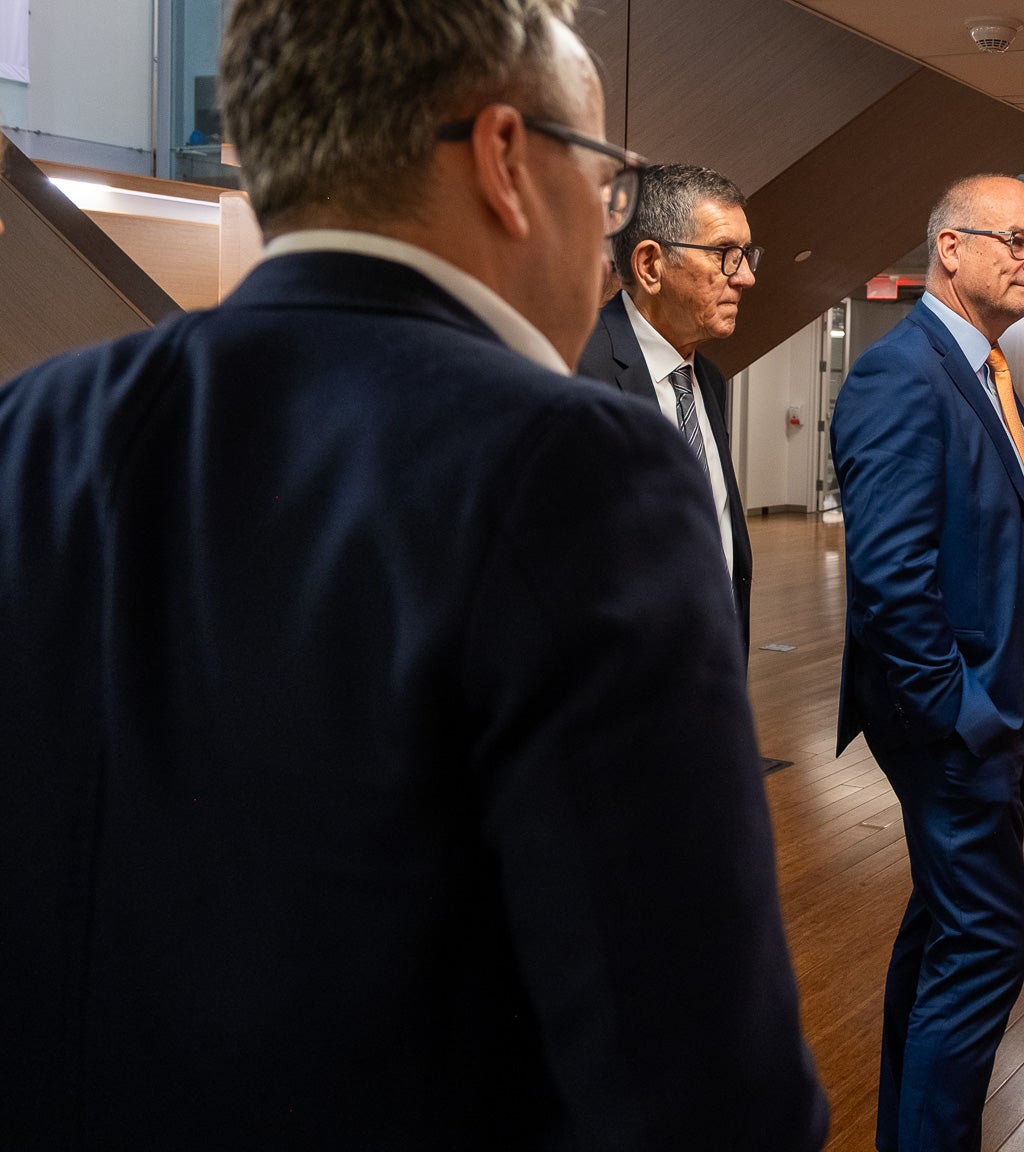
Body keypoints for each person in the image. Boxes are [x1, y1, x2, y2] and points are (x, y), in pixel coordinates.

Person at [0, 1, 827, 1147]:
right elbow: (694, 1078)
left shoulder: (36, 426)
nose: (603, 224)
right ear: (501, 159)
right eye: (600, 175)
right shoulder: (576, 468)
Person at [833, 173, 1024, 1152]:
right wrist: (964, 714)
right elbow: (890, 585)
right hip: (960, 715)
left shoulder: (985, 368)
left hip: (1012, 697)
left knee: (946, 929)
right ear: (948, 247)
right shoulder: (898, 376)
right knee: (987, 941)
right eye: (1017, 241)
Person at [579, 164, 757, 646]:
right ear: (650, 266)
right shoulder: (575, 376)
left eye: (746, 255)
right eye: (725, 254)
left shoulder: (711, 382)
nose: (746, 277)